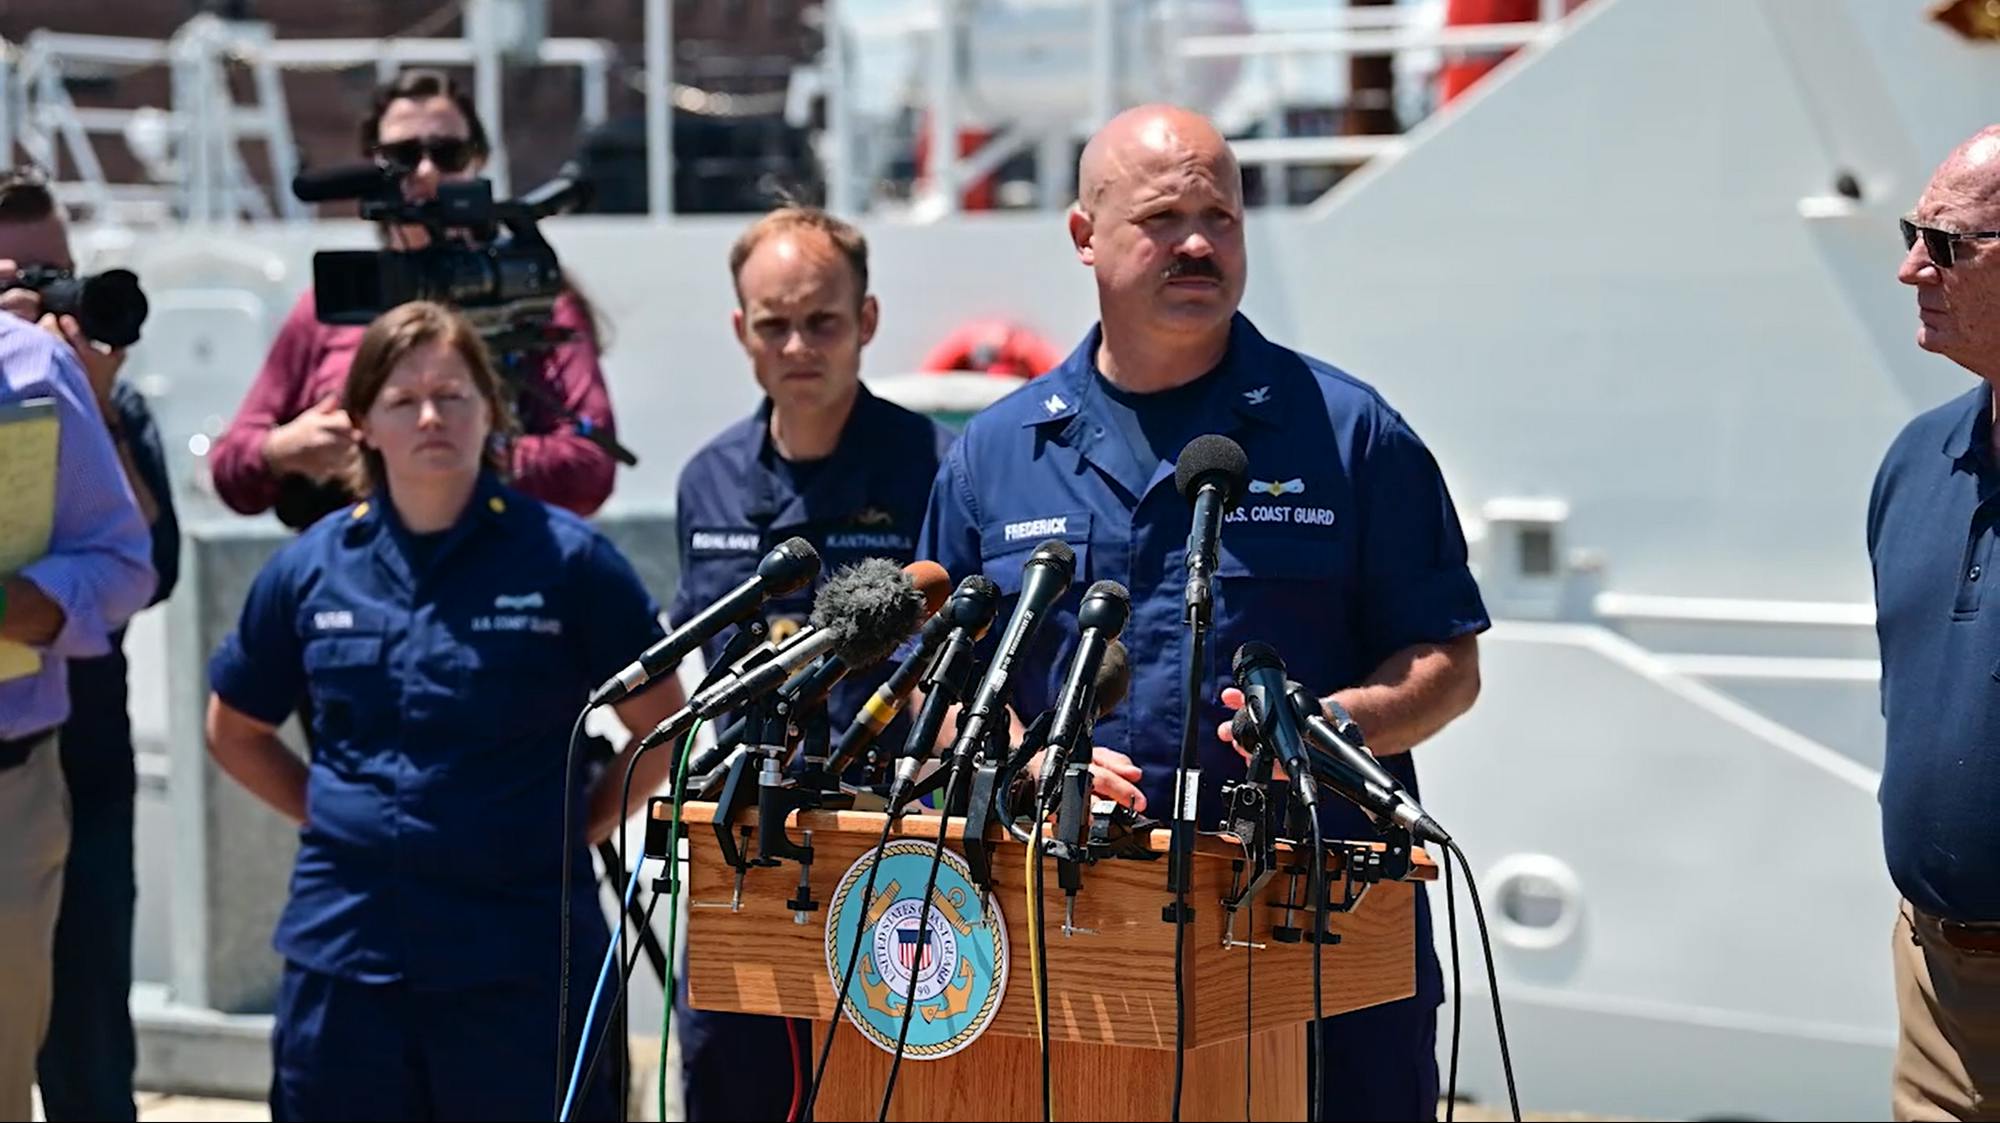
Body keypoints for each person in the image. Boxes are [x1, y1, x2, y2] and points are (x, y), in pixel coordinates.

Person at [914, 105, 1486, 1121]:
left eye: (1218, 217)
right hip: (1073, 938)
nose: (1195, 244)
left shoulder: (1348, 433)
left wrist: (1331, 733)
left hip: (1321, 934)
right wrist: (1030, 762)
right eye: (1161, 216)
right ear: (1083, 236)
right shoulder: (992, 457)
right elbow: (946, 686)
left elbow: (1446, 659)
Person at [204, 300, 684, 1120]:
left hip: (521, 961)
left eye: (454, 394)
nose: (431, 416)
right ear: (362, 423)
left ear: (491, 412)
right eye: (403, 399)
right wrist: (328, 813)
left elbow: (664, 731)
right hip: (349, 956)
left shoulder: (569, 563)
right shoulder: (311, 570)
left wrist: (582, 824)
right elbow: (234, 729)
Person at [671, 205, 955, 1121]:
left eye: (822, 320)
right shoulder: (706, 480)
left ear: (866, 321)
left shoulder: (935, 469)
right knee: (732, 1081)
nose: (799, 344)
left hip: (890, 848)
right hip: (743, 849)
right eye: (774, 324)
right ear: (740, 332)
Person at [210, 68, 621, 529]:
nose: (425, 172)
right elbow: (229, 470)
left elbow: (592, 465)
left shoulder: (534, 297)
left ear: (477, 161)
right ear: (370, 165)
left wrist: (459, 450)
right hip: (355, 572)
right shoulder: (334, 303)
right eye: (402, 157)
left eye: (447, 153)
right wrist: (282, 450)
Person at [0, 169, 180, 1122]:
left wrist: (94, 399)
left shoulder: (80, 388)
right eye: (24, 272)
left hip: (69, 769)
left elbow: (150, 562)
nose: (53, 290)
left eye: (60, 270)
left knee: (85, 1055)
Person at [1869, 124, 2000, 1122]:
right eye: (1914, 232)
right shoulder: (1914, 460)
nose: (1911, 264)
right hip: (1934, 992)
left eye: (1947, 245)